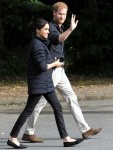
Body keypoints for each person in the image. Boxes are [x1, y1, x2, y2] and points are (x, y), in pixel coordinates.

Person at [22, 2, 102, 143]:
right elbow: (58, 40)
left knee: (71, 97)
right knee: (39, 102)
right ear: (54, 13)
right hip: (51, 70)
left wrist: (68, 29)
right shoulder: (51, 27)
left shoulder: (60, 27)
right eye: (60, 13)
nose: (62, 16)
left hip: (60, 70)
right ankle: (29, 132)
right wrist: (71, 29)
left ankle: (85, 130)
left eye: (64, 14)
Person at [7, 18, 83, 149]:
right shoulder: (36, 44)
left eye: (48, 29)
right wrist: (55, 64)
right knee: (28, 110)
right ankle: (13, 138)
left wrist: (52, 60)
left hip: (45, 83)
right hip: (39, 83)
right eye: (46, 29)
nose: (48, 32)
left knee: (57, 107)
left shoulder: (41, 42)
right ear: (38, 30)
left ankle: (66, 139)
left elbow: (43, 59)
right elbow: (42, 66)